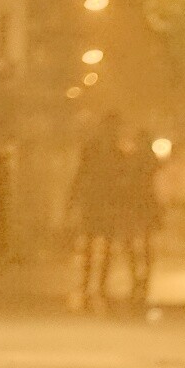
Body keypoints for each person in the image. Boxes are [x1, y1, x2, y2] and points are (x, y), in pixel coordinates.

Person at [66, 111, 125, 312]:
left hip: (98, 201)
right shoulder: (113, 151)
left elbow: (81, 173)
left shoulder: (99, 148)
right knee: (101, 245)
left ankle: (91, 285)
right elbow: (84, 173)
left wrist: (72, 199)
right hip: (102, 201)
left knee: (95, 245)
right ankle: (96, 286)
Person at [116, 130, 162, 309]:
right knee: (145, 243)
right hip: (147, 206)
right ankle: (143, 277)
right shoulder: (152, 162)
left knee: (133, 243)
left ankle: (138, 276)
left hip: (135, 205)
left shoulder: (132, 161)